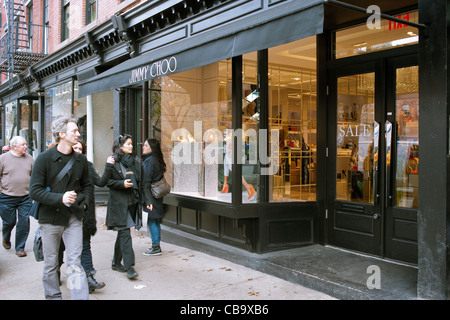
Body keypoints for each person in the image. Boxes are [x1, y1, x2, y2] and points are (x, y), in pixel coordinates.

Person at [29, 115, 91, 300]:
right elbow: (34, 192)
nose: (78, 134)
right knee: (51, 263)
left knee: (74, 263)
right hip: (50, 219)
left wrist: (84, 202)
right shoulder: (43, 159)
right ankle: (53, 296)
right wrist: (60, 198)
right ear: (61, 134)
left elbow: (87, 185)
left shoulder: (81, 160)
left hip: (73, 218)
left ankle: (79, 297)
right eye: (74, 131)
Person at [102, 134, 145, 280]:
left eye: (132, 144)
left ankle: (115, 262)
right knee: (126, 232)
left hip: (132, 202)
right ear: (120, 147)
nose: (131, 146)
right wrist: (122, 184)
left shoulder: (135, 162)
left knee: (122, 233)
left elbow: (142, 182)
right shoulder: (113, 161)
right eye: (128, 144)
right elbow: (106, 181)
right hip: (119, 204)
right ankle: (130, 267)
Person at [72, 139, 109, 293]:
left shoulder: (87, 166)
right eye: (75, 147)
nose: (78, 150)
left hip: (85, 213)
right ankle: (61, 275)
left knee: (84, 245)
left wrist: (108, 165)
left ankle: (89, 277)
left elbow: (100, 182)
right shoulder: (62, 165)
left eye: (80, 148)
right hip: (67, 212)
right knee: (67, 251)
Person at [0, 136, 34, 257]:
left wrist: (33, 192)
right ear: (14, 146)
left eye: (26, 144)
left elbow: (34, 176)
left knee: (24, 222)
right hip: (6, 197)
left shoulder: (30, 159)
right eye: (23, 145)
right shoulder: (3, 159)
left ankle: (20, 247)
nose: (26, 146)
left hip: (25, 197)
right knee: (9, 221)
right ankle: (6, 237)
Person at [142, 138, 166, 256]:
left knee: (152, 220)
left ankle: (156, 246)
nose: (143, 147)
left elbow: (145, 181)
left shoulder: (150, 161)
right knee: (155, 220)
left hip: (151, 196)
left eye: (146, 145)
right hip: (156, 195)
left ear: (152, 148)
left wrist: (147, 200)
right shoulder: (156, 159)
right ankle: (156, 244)